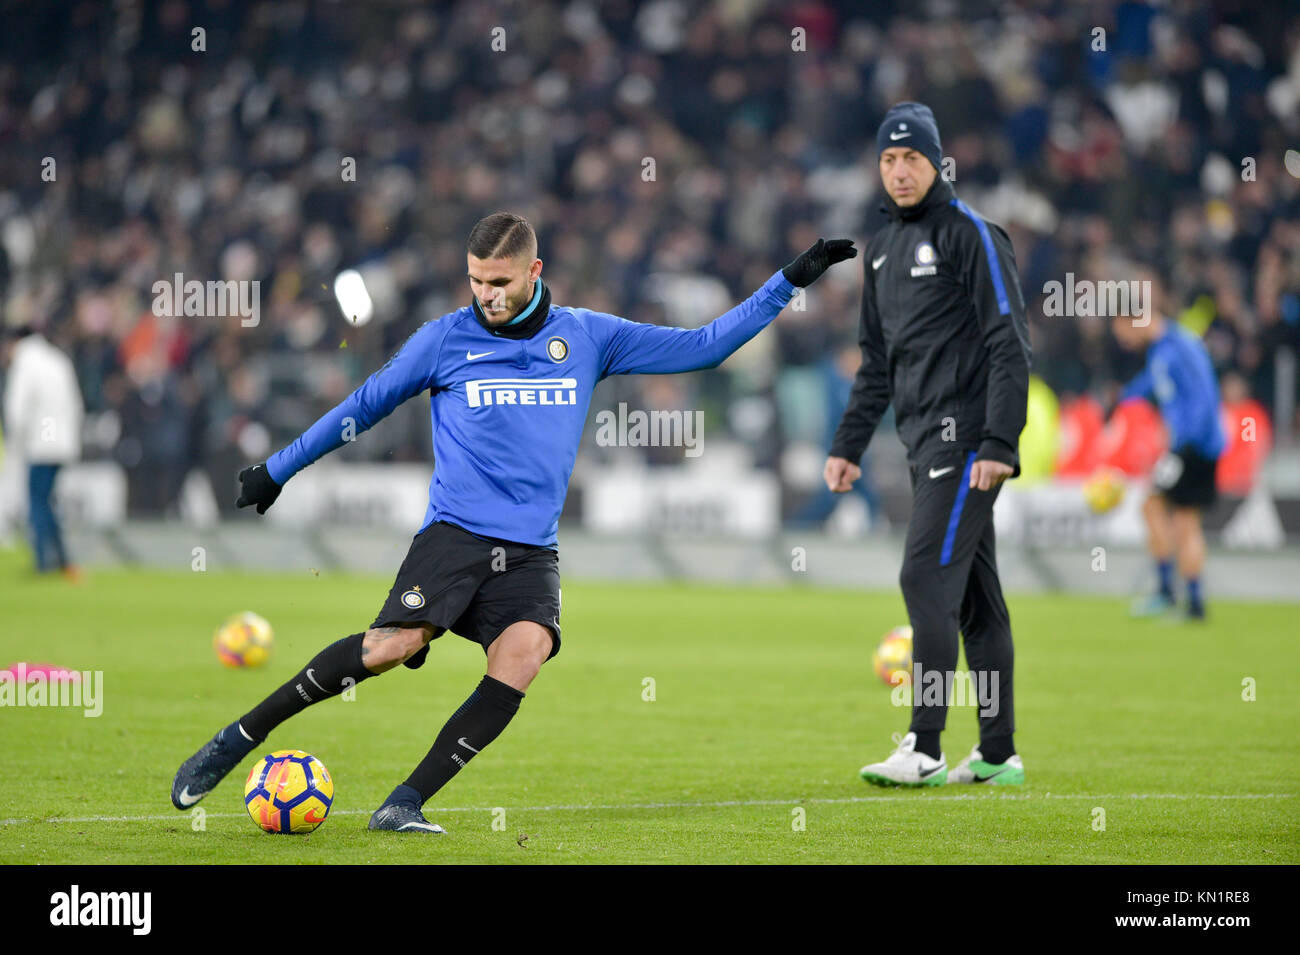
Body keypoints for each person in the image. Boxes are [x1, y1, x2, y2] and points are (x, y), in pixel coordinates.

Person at [171, 212, 856, 832]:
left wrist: (788, 280)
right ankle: (237, 737)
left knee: (524, 655)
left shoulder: (589, 336)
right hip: (456, 536)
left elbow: (705, 345)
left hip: (531, 550)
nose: (486, 295)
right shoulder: (443, 340)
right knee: (391, 647)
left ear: (534, 271)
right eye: (475, 281)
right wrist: (278, 469)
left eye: (499, 281)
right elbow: (365, 403)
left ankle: (405, 801)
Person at [822, 103, 1031, 787]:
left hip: (968, 441)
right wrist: (850, 442)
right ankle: (998, 752)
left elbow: (1009, 342)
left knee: (922, 577)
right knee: (976, 602)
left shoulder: (972, 233)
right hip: (920, 442)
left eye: (911, 157)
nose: (899, 170)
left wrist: (1001, 438)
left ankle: (926, 743)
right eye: (888, 159)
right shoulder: (879, 249)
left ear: (938, 162)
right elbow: (876, 360)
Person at [1112, 267, 1225, 621]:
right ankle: (1187, 600)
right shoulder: (1163, 349)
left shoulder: (1182, 345)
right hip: (1191, 446)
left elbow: (1205, 399)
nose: (1121, 338)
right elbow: (1151, 385)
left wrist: (1184, 447)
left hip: (1196, 448)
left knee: (1165, 512)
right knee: (1167, 513)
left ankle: (1175, 596)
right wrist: (1122, 400)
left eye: (1122, 327)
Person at [2, 324, 84, 579]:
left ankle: (44, 561)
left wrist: (15, 444)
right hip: (64, 444)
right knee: (48, 500)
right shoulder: (58, 359)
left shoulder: (25, 363)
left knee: (37, 502)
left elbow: (16, 407)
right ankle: (62, 559)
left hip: (39, 445)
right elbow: (76, 404)